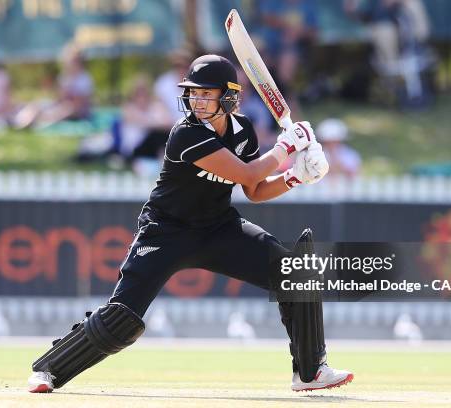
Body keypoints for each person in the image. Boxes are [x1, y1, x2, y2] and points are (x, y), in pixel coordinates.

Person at [27, 55, 353, 393]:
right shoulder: (186, 134)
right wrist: (287, 145)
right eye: (192, 93)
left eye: (205, 94)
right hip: (166, 232)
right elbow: (247, 173)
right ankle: (48, 369)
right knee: (122, 319)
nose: (195, 101)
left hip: (219, 228)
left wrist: (296, 176)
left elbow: (254, 191)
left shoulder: (243, 132)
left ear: (228, 97)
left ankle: (311, 372)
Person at [14, 43, 93, 129]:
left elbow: (78, 105)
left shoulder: (84, 79)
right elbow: (60, 98)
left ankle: (40, 122)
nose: (67, 64)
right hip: (64, 107)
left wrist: (61, 106)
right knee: (39, 104)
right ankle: (22, 122)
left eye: (70, 61)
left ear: (78, 63)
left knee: (66, 110)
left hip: (77, 112)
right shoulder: (64, 77)